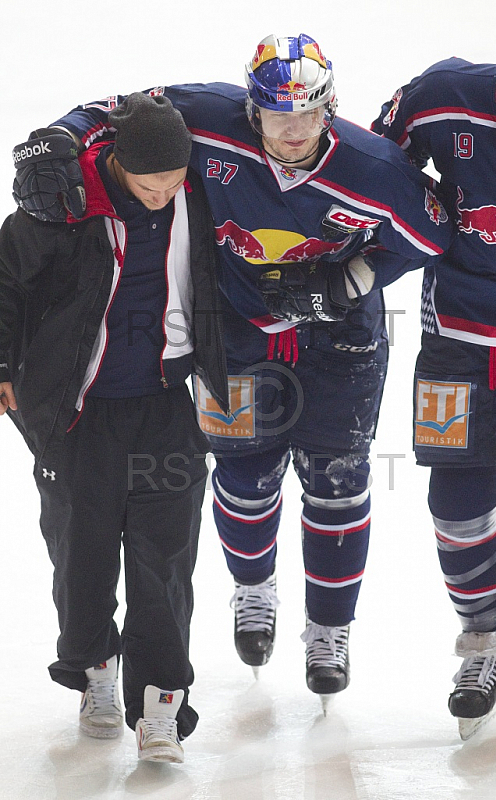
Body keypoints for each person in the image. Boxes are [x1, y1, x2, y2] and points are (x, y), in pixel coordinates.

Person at [12, 34, 451, 705]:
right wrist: (59, 135)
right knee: (241, 471)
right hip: (237, 331)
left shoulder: (373, 167)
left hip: (342, 345)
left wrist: (349, 280)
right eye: (279, 114)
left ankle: (330, 630)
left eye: (308, 112)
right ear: (253, 109)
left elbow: (430, 232)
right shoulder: (208, 118)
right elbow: (116, 113)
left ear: (330, 106)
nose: (294, 129)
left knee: (338, 481)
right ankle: (253, 588)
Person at [1, 92, 228, 762]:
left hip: (165, 407)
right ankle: (94, 670)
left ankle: (161, 703)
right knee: (83, 555)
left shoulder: (201, 200)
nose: (161, 195)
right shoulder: (62, 208)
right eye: (148, 183)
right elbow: (5, 281)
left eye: (172, 182)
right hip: (78, 412)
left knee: (165, 559)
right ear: (117, 166)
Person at [352, 2, 496, 739]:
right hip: (457, 332)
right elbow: (362, 163)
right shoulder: (441, 96)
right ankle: (484, 638)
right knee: (454, 502)